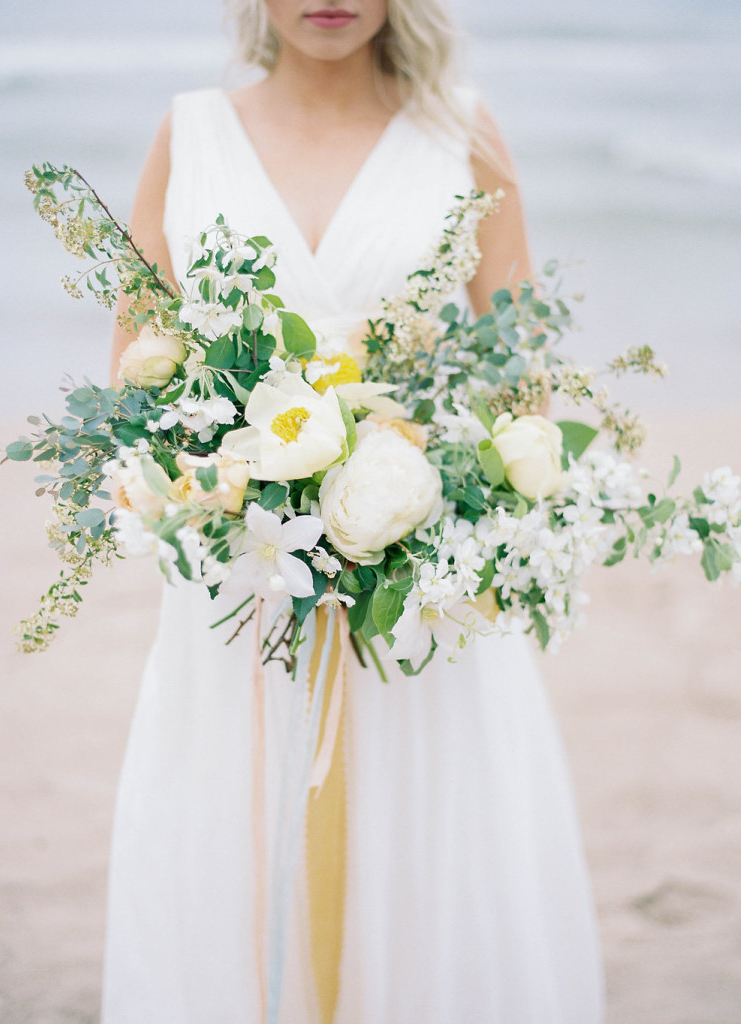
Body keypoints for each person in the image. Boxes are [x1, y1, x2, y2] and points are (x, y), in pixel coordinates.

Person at [103, 1, 605, 1021]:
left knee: (427, 836)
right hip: (245, 573)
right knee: (227, 827)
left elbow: (517, 375)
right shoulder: (189, 131)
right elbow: (136, 363)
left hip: (416, 581)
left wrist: (471, 499)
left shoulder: (459, 130)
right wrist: (210, 484)